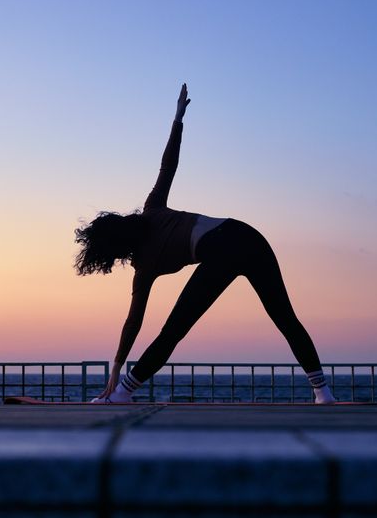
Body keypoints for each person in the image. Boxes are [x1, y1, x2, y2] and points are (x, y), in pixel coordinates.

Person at [74, 84, 336, 405]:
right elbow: (167, 166)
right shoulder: (152, 209)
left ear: (111, 252)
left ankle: (122, 394)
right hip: (247, 236)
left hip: (222, 248)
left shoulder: (144, 264)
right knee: (285, 319)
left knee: (173, 331)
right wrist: (177, 118)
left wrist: (116, 370)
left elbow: (134, 323)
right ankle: (322, 392)